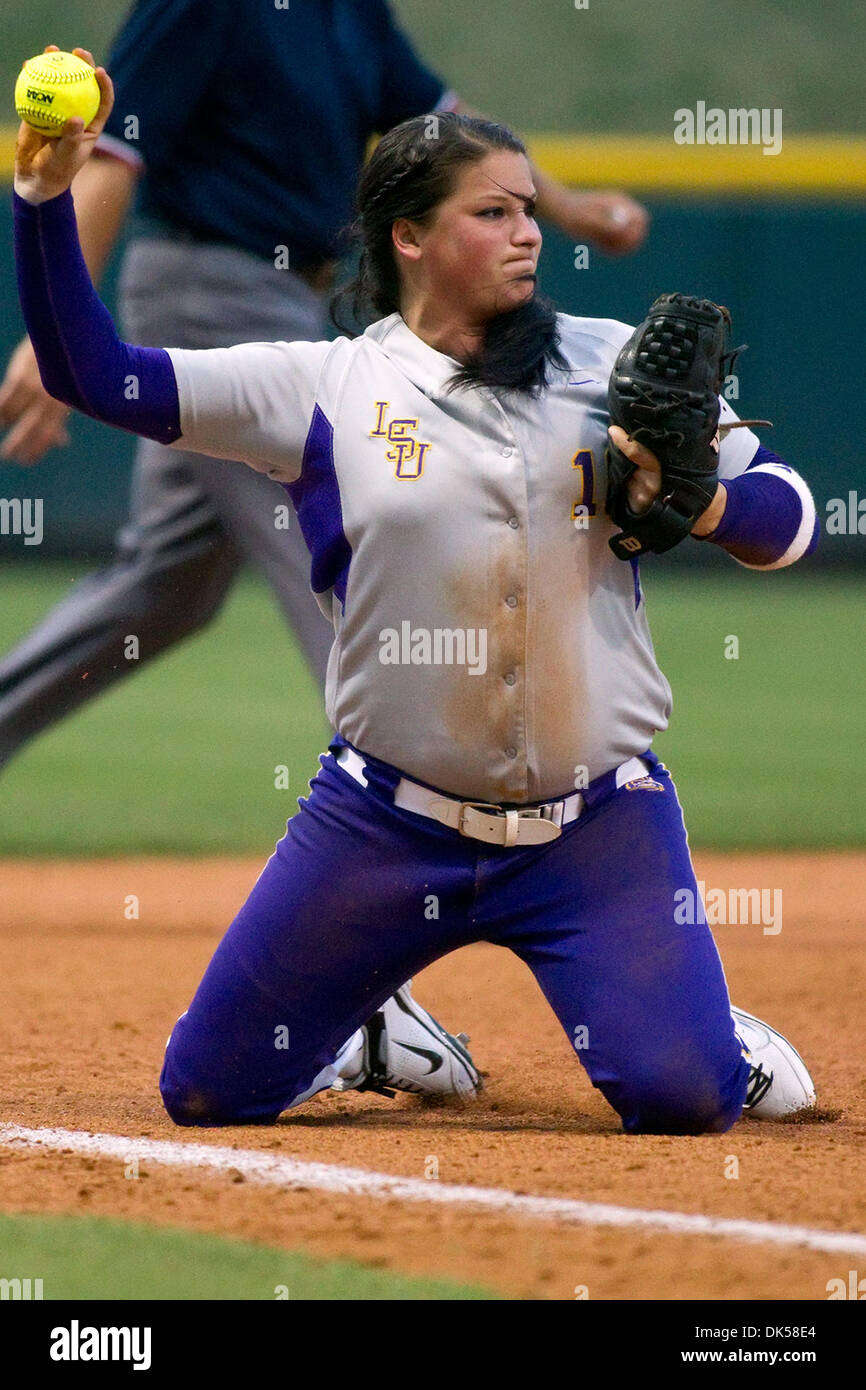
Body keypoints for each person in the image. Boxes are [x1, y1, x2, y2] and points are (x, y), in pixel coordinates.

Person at [13, 59, 820, 1135]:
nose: (527, 232)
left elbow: (792, 517)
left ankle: (703, 1026)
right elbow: (95, 376)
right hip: (380, 828)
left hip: (596, 825)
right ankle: (374, 1031)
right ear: (408, 237)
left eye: (528, 209)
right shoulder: (319, 389)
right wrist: (41, 201)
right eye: (491, 212)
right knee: (208, 1090)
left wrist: (704, 501)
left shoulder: (614, 368)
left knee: (683, 1099)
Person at [0, 1, 648, 766]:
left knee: (167, 586)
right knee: (348, 531)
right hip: (206, 288)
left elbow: (456, 133)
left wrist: (568, 209)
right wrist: (54, 341)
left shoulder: (349, 9)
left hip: (290, 293)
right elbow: (112, 151)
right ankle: (399, 791)